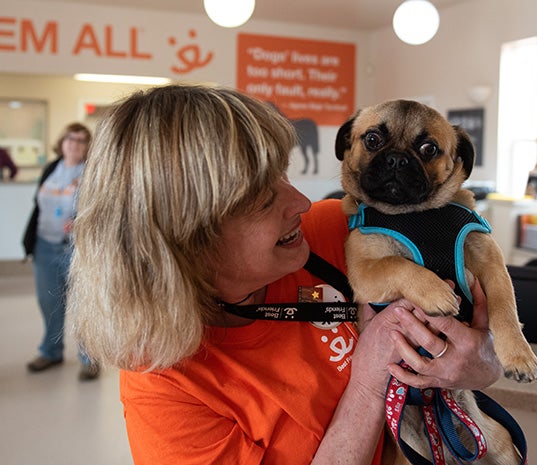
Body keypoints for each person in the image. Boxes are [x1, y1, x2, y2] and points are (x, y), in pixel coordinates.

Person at [66, 85, 502, 464]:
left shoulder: (341, 229)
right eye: (260, 197)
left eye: (283, 174)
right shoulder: (165, 389)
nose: (300, 201)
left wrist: (480, 361)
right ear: (187, 241)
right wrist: (368, 380)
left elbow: (483, 328)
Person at [22, 122, 99, 380]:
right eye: (70, 139)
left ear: (87, 146)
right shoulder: (51, 169)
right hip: (45, 245)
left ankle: (89, 358)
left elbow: (100, 207)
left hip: (77, 249)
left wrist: (81, 219)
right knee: (49, 302)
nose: (74, 144)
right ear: (62, 142)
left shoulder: (92, 173)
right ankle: (50, 352)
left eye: (80, 140)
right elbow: (38, 205)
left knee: (84, 304)